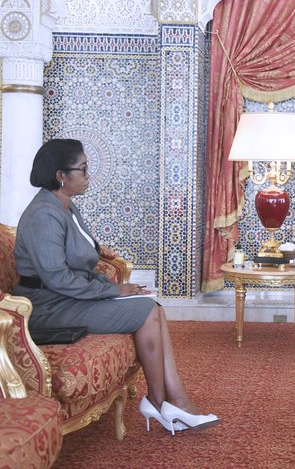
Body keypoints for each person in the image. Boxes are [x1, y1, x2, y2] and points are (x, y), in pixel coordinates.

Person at [12, 139, 220, 435]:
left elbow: (82, 266)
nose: (88, 176)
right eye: (83, 169)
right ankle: (165, 402)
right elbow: (58, 278)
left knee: (154, 308)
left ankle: (171, 401)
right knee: (146, 311)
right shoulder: (43, 214)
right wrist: (113, 291)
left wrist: (118, 287)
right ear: (61, 175)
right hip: (46, 307)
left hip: (67, 299)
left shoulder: (65, 206)